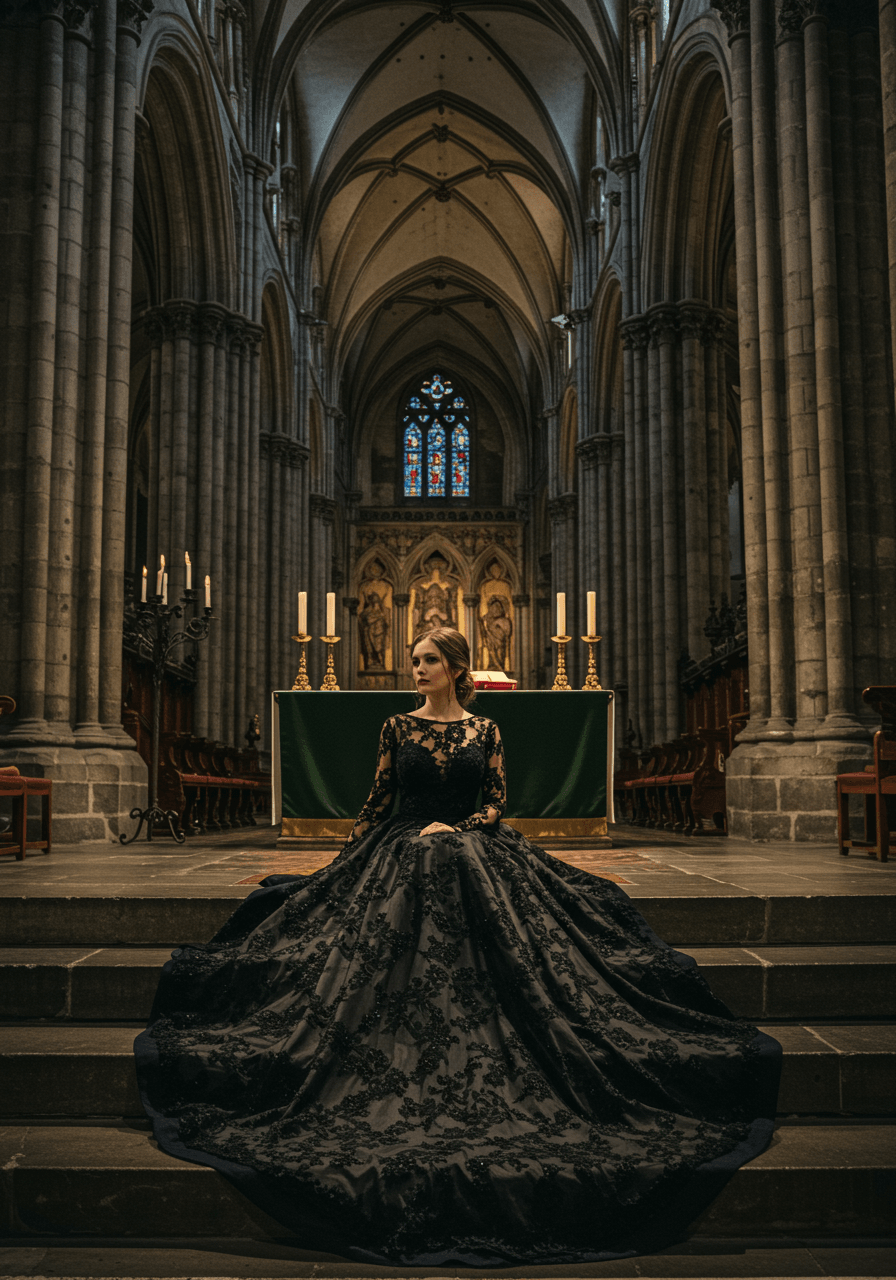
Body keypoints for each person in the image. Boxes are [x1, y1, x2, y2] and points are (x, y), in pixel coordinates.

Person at [135, 627, 780, 1266]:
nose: (416, 669)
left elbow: (497, 803)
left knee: (464, 866)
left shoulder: (486, 731)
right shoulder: (396, 726)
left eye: (428, 661)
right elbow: (378, 800)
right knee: (416, 864)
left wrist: (457, 825)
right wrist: (344, 860)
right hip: (400, 848)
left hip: (468, 844)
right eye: (415, 661)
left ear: (455, 668)